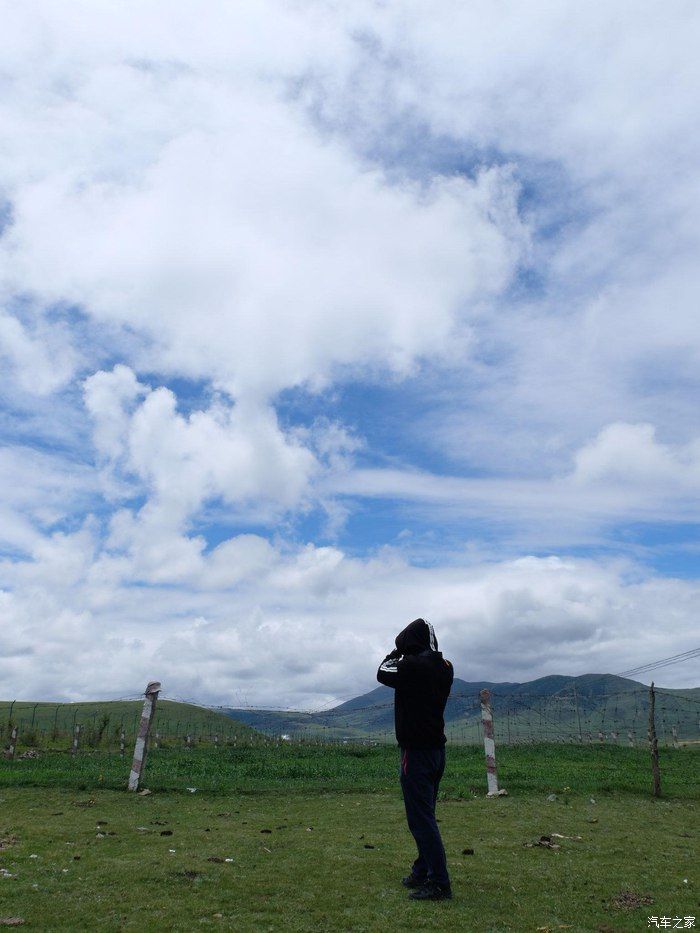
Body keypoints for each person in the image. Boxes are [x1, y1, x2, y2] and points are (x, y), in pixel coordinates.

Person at [377, 617, 454, 901]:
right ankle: (422, 870)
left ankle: (439, 882)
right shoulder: (446, 668)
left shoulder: (410, 667)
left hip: (416, 753)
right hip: (437, 752)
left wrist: (397, 651)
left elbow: (382, 672)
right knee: (427, 816)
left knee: (421, 820)